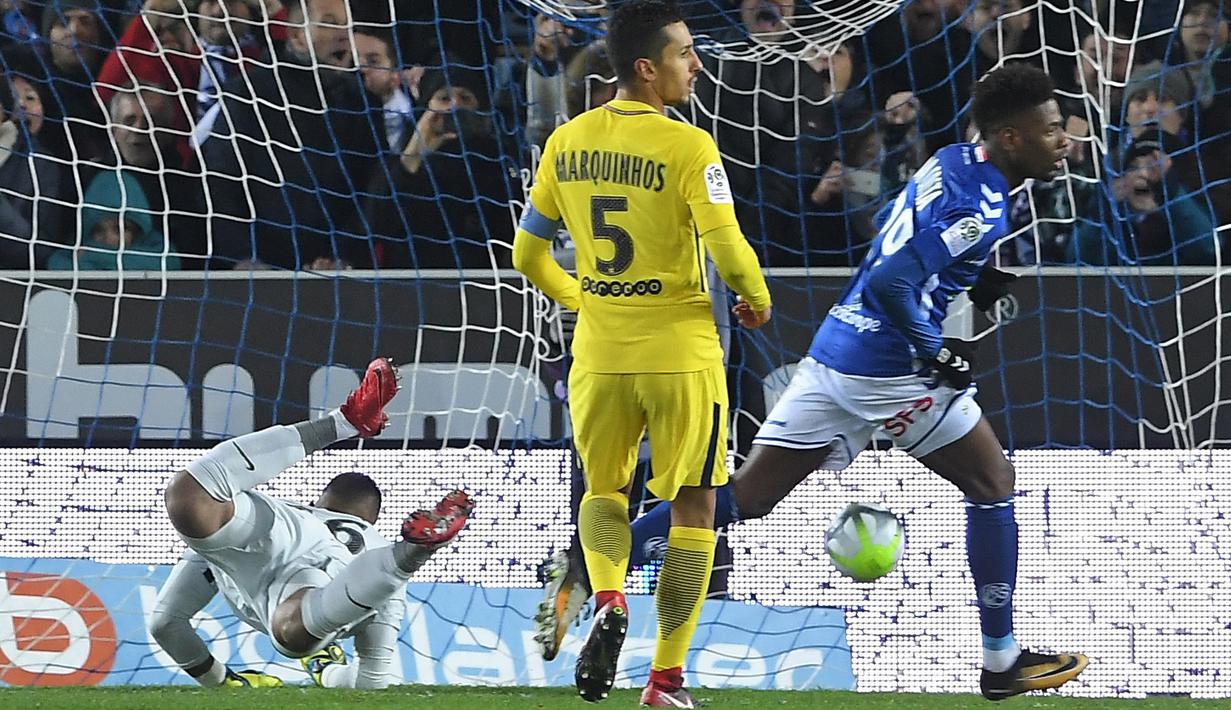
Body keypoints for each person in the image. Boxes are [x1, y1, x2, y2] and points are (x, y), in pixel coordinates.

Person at [535, 62, 1090, 702]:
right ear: (1014, 138)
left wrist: (972, 278)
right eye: (1051, 130)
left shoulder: (956, 158)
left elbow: (900, 237)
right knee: (993, 484)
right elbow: (895, 281)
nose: (1064, 140)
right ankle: (1001, 662)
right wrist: (934, 348)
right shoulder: (987, 205)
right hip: (887, 366)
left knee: (744, 496)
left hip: (835, 350)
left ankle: (584, 567)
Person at [512, 1, 772, 706]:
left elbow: (526, 254)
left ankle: (606, 598)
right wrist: (755, 297)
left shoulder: (565, 141)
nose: (696, 64)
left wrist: (585, 299)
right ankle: (664, 680)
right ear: (646, 68)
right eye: (685, 53)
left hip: (599, 353)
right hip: (680, 351)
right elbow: (727, 247)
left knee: (604, 495)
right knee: (695, 506)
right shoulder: (688, 146)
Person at [154, 357, 474, 688]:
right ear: (371, 520)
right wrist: (329, 674)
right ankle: (412, 553)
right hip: (349, 577)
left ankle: (340, 424)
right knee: (292, 631)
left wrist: (224, 683)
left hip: (285, 529)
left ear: (321, 502)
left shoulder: (301, 515)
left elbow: (166, 624)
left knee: (189, 494)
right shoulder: (375, 547)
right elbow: (372, 680)